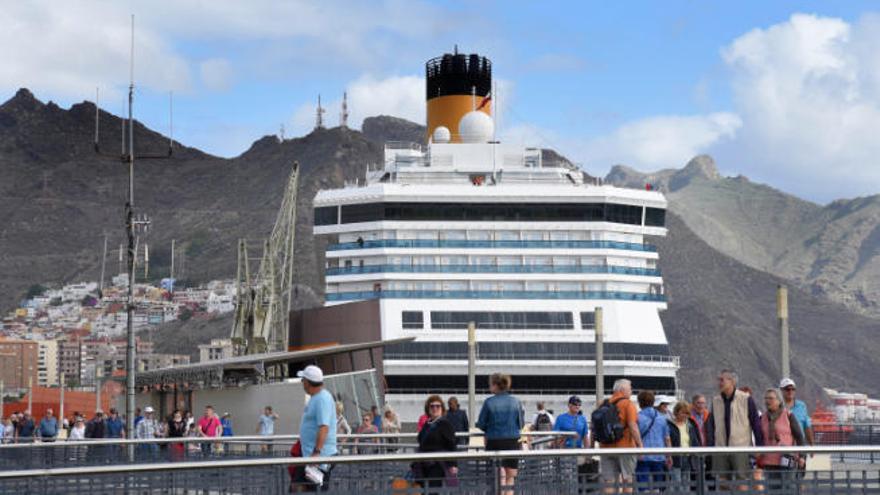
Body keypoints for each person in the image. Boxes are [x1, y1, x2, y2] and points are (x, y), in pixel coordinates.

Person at [706, 369, 764, 487]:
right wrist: (712, 446)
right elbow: (711, 425)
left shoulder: (746, 399)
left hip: (741, 449)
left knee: (742, 482)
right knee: (722, 483)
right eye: (719, 380)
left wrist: (759, 447)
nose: (719, 383)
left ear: (731, 381)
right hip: (721, 449)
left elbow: (756, 424)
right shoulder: (715, 401)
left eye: (722, 380)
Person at [476, 373, 524, 495]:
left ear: (496, 385)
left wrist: (490, 427)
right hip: (512, 440)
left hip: (494, 441)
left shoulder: (489, 402)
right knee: (510, 476)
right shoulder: (516, 402)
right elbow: (521, 424)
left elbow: (481, 424)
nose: (489, 386)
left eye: (490, 384)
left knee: (498, 475)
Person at [292, 365, 337, 491]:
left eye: (303, 380)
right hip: (310, 455)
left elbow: (324, 427)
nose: (302, 383)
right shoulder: (316, 398)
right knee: (299, 487)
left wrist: (317, 453)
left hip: (319, 457)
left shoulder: (322, 399)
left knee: (308, 488)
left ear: (307, 382)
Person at [597, 379, 643, 494]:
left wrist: (593, 446)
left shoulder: (603, 404)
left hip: (605, 448)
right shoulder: (628, 404)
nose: (631, 391)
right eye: (630, 388)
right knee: (627, 479)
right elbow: (633, 426)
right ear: (623, 390)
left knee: (609, 481)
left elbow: (595, 428)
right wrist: (640, 446)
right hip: (625, 448)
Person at [758, 388, 805, 493]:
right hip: (769, 462)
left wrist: (802, 456)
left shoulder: (788, 415)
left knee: (788, 490)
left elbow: (799, 437)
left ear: (779, 401)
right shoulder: (762, 418)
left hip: (786, 460)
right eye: (766, 398)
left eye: (771, 398)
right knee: (771, 491)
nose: (767, 401)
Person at [415, 395, 458, 489]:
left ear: (442, 408)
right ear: (428, 408)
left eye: (438, 406)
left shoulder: (445, 424)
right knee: (424, 490)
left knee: (433, 490)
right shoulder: (428, 423)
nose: (435, 408)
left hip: (437, 464)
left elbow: (452, 444)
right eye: (432, 406)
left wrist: (453, 464)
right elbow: (421, 439)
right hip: (424, 463)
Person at [636, 391, 672, 490]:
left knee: (642, 487)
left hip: (642, 456)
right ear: (653, 402)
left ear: (639, 402)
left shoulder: (637, 417)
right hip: (659, 456)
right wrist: (669, 456)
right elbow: (667, 438)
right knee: (658, 486)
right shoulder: (661, 418)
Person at [667, 401, 700, 491]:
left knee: (686, 485)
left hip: (687, 458)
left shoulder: (690, 425)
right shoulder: (669, 425)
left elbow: (694, 441)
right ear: (676, 412)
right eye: (682, 413)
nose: (685, 415)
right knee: (676, 484)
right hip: (675, 458)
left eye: (687, 413)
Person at [780, 378, 814, 447]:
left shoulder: (802, 406)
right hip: (783, 447)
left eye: (793, 389)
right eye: (787, 389)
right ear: (781, 390)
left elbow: (807, 426)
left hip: (799, 445)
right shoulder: (777, 407)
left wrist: (811, 445)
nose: (790, 391)